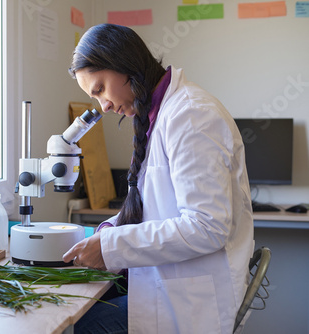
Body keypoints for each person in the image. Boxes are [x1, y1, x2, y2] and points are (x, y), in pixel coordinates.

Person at [63, 23, 254, 334]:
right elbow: (159, 206)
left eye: (99, 89)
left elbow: (207, 227)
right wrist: (107, 232)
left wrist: (112, 246)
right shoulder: (164, 112)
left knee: (91, 323)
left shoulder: (191, 115)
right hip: (173, 283)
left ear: (124, 65)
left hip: (193, 300)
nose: (105, 106)